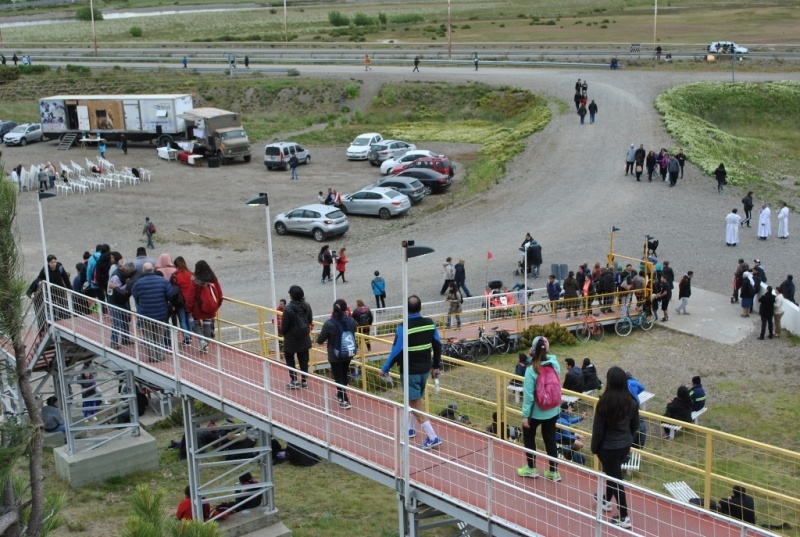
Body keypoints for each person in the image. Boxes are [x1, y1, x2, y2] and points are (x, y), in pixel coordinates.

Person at [380, 295, 443, 449]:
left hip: (410, 371)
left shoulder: (403, 327)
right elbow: (438, 345)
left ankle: (433, 437)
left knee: (415, 405)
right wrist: (436, 366)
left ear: (406, 310)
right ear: (420, 308)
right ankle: (409, 429)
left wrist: (386, 368)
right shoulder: (430, 324)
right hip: (424, 370)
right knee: (414, 400)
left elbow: (397, 350)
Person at [591, 366, 638, 529]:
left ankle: (624, 516)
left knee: (616, 479)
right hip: (624, 445)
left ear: (609, 382)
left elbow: (598, 430)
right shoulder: (631, 402)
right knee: (612, 473)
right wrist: (627, 439)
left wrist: (595, 448)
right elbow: (635, 425)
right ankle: (605, 501)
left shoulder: (604, 402)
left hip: (608, 448)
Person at [517, 336, 562, 481]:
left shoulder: (531, 370)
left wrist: (525, 416)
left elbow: (529, 396)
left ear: (532, 350)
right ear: (547, 349)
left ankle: (531, 468)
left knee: (529, 436)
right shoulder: (555, 365)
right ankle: (553, 472)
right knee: (550, 439)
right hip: (553, 410)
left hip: (536, 412)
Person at [317, 299, 358, 409]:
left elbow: (320, 339)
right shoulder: (351, 321)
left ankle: (344, 400)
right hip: (348, 352)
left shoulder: (329, 323)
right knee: (344, 373)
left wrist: (319, 340)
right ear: (346, 309)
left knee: (338, 376)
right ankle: (340, 394)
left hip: (335, 354)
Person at [131, 262, 175, 362]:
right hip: (161, 313)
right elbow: (170, 293)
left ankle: (152, 356)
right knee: (160, 336)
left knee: (148, 337)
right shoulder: (162, 281)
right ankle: (160, 355)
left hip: (145, 314)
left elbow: (135, 295)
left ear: (143, 271)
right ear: (153, 269)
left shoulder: (138, 283)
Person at [280, 285, 313, 389]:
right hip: (304, 337)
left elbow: (284, 327)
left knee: (290, 359)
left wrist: (284, 333)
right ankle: (304, 381)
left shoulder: (288, 309)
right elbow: (310, 320)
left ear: (291, 295)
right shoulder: (306, 306)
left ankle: (294, 380)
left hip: (291, 339)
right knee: (304, 360)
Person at [187, 260, 223, 352]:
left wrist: (188, 309)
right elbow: (219, 294)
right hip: (210, 306)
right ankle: (206, 346)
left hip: (197, 308)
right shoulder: (213, 279)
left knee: (195, 324)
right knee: (207, 324)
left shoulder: (195, 281)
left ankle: (202, 341)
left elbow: (191, 296)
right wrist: (216, 304)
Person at [107, 260, 135, 349]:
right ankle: (114, 341)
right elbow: (118, 290)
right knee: (117, 321)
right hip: (115, 301)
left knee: (125, 319)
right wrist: (127, 285)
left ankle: (125, 338)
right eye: (125, 266)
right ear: (120, 267)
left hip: (123, 300)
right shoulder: (116, 276)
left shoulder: (125, 274)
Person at [172, 256, 194, 346]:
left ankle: (187, 338)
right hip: (190, 300)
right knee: (189, 318)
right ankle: (190, 335)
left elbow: (173, 289)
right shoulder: (191, 274)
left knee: (182, 320)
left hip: (180, 301)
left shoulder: (176, 276)